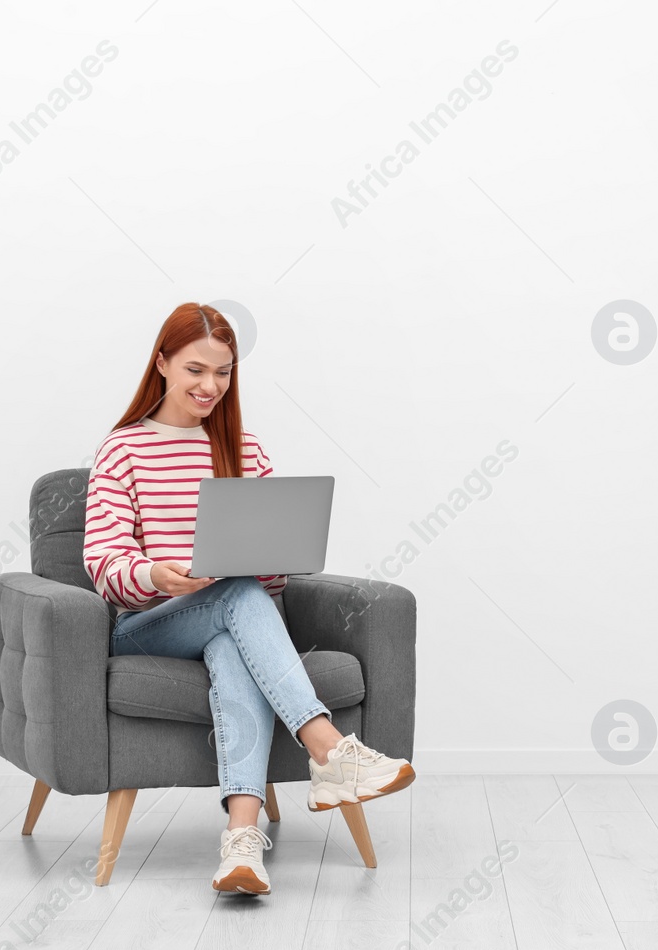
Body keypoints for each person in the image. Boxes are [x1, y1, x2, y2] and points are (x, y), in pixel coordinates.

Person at [83, 302, 414, 896]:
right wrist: (158, 576)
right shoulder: (123, 450)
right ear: (161, 363)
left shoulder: (242, 447)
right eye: (194, 370)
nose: (211, 386)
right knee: (233, 592)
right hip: (147, 625)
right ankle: (328, 748)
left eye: (224, 372)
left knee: (234, 630)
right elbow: (103, 564)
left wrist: (271, 562)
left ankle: (242, 844)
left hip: (227, 619)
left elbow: (272, 581)